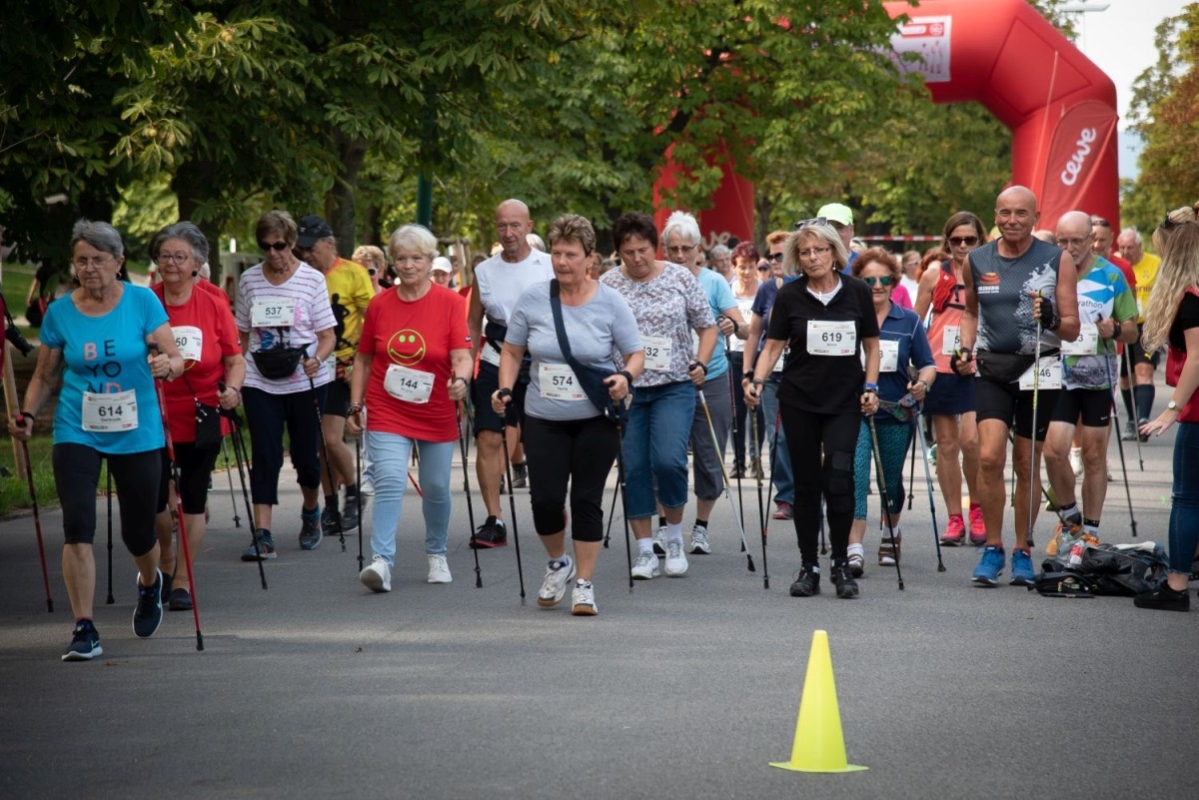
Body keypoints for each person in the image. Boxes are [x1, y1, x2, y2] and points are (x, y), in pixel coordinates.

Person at [10, 220, 184, 660]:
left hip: (136, 430)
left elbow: (174, 355)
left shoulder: (142, 302)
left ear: (118, 262)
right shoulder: (60, 312)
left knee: (138, 532)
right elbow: (45, 375)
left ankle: (150, 582)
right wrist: (27, 414)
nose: (89, 268)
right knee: (77, 527)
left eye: (98, 260)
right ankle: (84, 627)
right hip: (77, 428)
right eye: (81, 260)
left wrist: (167, 364)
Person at [492, 214, 643, 614]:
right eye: (557, 253)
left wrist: (626, 377)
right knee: (544, 500)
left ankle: (585, 583)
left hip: (596, 416)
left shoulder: (610, 301)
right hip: (543, 417)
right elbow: (512, 351)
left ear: (590, 258)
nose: (562, 262)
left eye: (571, 254)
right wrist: (504, 388)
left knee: (586, 499)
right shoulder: (534, 299)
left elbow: (636, 353)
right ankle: (559, 562)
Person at [746, 221, 880, 599]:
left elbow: (871, 345)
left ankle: (840, 562)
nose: (813, 257)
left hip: (844, 400)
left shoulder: (857, 291)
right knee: (806, 484)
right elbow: (773, 347)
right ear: (797, 258)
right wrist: (756, 380)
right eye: (805, 252)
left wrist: (871, 386)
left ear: (834, 252)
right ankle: (809, 565)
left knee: (838, 478)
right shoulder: (790, 295)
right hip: (800, 398)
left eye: (820, 250)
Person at [953, 186, 1080, 587]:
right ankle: (993, 547)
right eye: (1005, 213)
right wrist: (964, 348)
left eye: (1021, 213)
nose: (1012, 220)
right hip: (992, 368)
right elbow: (970, 313)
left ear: (1035, 218)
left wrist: (1052, 316)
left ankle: (1022, 548)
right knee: (989, 456)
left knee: (1026, 462)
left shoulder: (1056, 259)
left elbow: (1072, 328)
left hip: (1039, 369)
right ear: (995, 215)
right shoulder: (977, 260)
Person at [349, 224, 472, 591]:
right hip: (387, 406)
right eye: (401, 258)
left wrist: (462, 381)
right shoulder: (379, 304)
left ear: (430, 261)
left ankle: (437, 553)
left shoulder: (450, 303)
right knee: (388, 479)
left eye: (416, 258)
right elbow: (364, 359)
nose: (408, 265)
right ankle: (381, 561)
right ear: (392, 263)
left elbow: (462, 356)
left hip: (435, 406)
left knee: (435, 486)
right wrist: (356, 404)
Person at [600, 211, 715, 579]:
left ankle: (674, 537)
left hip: (674, 385)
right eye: (628, 252)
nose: (637, 258)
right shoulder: (607, 284)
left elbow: (707, 326)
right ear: (618, 253)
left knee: (668, 460)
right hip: (627, 390)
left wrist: (701, 362)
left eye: (644, 250)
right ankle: (645, 551)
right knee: (634, 467)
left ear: (656, 247)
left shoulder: (680, 277)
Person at [149, 222, 246, 611]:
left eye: (180, 257)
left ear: (196, 264)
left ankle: (183, 580)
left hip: (202, 412)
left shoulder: (212, 304)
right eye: (165, 256)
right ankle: (166, 558)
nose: (171, 263)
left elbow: (234, 360)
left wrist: (233, 391)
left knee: (192, 495)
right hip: (152, 414)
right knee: (154, 498)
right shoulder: (144, 303)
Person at [235, 210, 337, 558]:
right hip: (259, 379)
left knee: (306, 456)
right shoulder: (249, 280)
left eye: (279, 245)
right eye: (265, 246)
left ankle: (311, 512)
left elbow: (327, 336)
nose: (273, 253)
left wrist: (317, 359)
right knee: (265, 454)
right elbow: (242, 334)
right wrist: (234, 375)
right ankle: (263, 533)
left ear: (292, 243)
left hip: (304, 379)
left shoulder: (312, 279)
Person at [1041, 211, 1138, 552]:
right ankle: (1071, 520)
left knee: (1094, 456)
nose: (1069, 247)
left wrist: (1115, 329)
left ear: (1091, 240)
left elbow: (1132, 330)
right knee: (1054, 451)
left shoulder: (1111, 275)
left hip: (1098, 376)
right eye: (1062, 241)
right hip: (1058, 373)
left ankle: (1091, 531)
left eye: (1076, 241)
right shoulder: (1048, 273)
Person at [467, 199, 554, 546]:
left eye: (515, 225)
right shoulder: (484, 271)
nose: (508, 233)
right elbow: (473, 323)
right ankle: (495, 519)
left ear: (529, 227)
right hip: (495, 358)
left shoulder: (550, 265)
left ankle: (550, 507)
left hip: (541, 362)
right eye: (502, 225)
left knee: (543, 441)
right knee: (488, 437)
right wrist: (465, 368)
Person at [659, 211, 746, 555]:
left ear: (699, 249)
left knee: (710, 457)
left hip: (711, 378)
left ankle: (701, 527)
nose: (680, 255)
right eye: (674, 249)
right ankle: (666, 526)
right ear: (665, 250)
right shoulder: (656, 279)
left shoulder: (714, 282)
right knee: (666, 457)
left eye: (687, 248)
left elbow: (744, 328)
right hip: (667, 380)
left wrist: (730, 325)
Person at [848, 248, 935, 574]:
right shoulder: (849, 317)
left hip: (896, 411)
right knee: (856, 476)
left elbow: (927, 365)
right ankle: (854, 546)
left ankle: (891, 531)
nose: (877, 286)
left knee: (890, 480)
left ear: (894, 281)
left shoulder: (908, 320)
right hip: (854, 411)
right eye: (869, 280)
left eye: (884, 280)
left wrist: (922, 385)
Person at [1135, 205, 1199, 611]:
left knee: (1186, 497)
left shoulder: (1190, 299)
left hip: (1197, 411)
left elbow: (1197, 358)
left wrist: (1172, 409)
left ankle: (1176, 584)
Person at [295, 215, 374, 535]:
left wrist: (360, 362)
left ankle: (353, 492)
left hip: (342, 365)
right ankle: (329, 505)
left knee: (330, 438)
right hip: (307, 367)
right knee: (317, 444)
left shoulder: (353, 273)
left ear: (329, 243)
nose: (306, 255)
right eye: (301, 249)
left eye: (310, 248)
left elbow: (373, 321)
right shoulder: (299, 275)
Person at [914, 212, 987, 546]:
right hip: (940, 365)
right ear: (947, 241)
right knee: (946, 444)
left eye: (969, 239)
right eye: (956, 240)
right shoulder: (934, 274)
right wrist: (914, 364)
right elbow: (915, 322)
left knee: (971, 441)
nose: (962, 245)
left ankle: (977, 509)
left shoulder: (990, 274)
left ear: (980, 240)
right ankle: (954, 517)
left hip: (976, 367)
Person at [742, 231, 797, 520]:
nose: (775, 261)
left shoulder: (806, 287)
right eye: (772, 256)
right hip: (771, 375)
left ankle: (808, 492)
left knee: (802, 436)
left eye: (781, 255)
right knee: (778, 437)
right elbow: (754, 333)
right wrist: (748, 372)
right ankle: (786, 496)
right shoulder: (765, 290)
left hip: (802, 374)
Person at [1117, 227, 1163, 439]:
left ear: (1139, 246)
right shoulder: (1116, 264)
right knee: (1126, 378)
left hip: (1147, 326)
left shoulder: (1155, 264)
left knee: (1144, 370)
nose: (1126, 252)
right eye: (1122, 247)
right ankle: (1132, 419)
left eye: (1130, 247)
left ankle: (1143, 421)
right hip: (1123, 325)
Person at [728, 240, 764, 478]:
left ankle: (756, 458)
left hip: (760, 355)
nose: (747, 272)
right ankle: (738, 461)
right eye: (742, 266)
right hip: (734, 354)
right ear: (734, 267)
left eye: (751, 266)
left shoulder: (764, 290)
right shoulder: (728, 291)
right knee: (737, 410)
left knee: (757, 408)